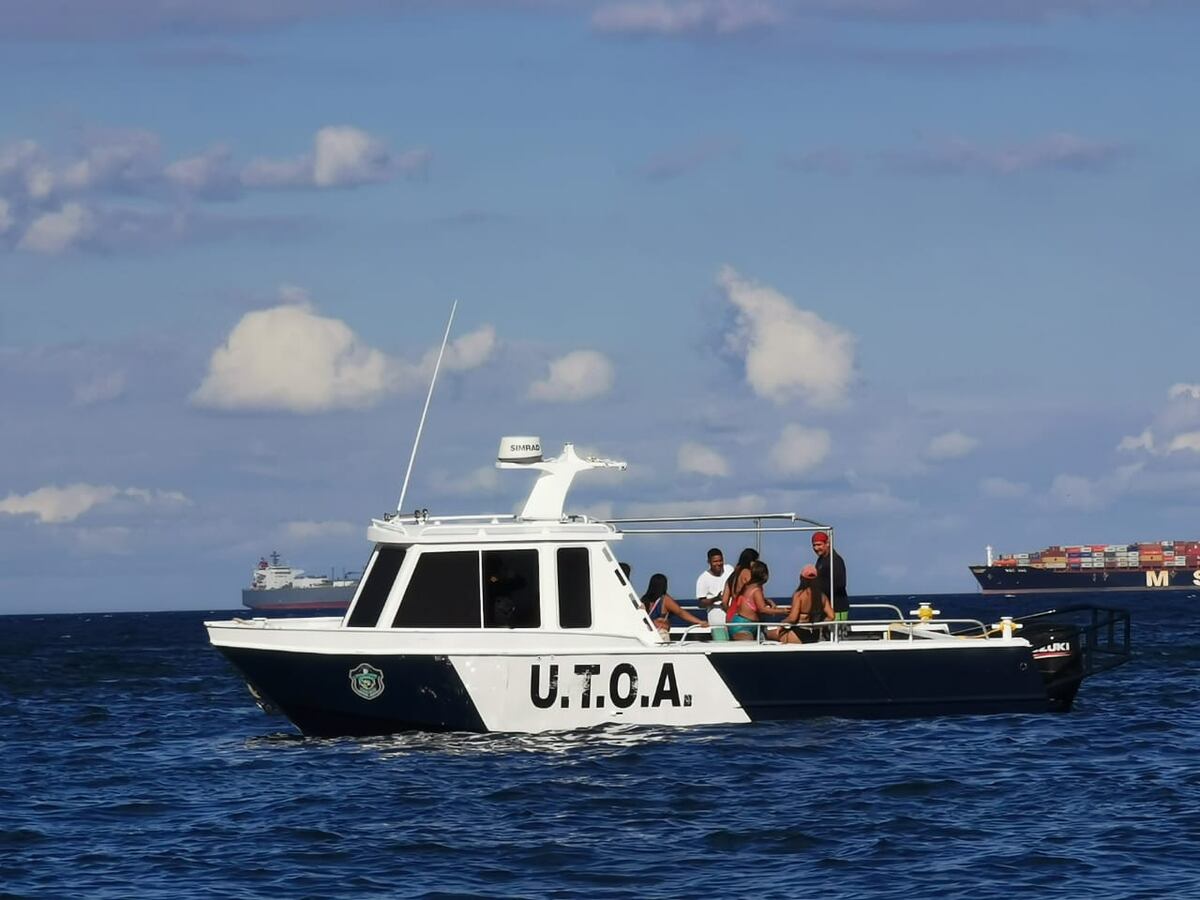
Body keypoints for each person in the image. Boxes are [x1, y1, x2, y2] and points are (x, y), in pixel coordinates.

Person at [767, 564, 831, 643]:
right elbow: (831, 616)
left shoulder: (799, 595)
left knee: (768, 634)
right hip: (814, 635)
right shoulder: (822, 596)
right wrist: (817, 624)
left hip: (799, 634)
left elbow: (793, 618)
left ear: (801, 578)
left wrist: (782, 623)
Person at [725, 560, 779, 640]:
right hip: (742, 626)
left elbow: (751, 598)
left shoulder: (749, 587)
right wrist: (783, 611)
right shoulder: (755, 590)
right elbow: (762, 609)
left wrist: (766, 600)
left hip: (748, 623)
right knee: (749, 646)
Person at [640, 573, 706, 634]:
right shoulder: (665, 600)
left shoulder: (644, 599)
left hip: (646, 633)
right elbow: (681, 612)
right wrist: (699, 621)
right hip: (660, 633)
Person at [696, 547, 733, 639]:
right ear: (709, 562)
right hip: (716, 615)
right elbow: (701, 603)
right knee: (721, 641)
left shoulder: (729, 569)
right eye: (715, 561)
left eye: (720, 561)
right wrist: (715, 599)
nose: (718, 564)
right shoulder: (703, 578)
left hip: (732, 612)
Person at [811, 532, 848, 622]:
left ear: (827, 543)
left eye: (819, 545)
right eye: (814, 545)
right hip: (825, 607)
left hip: (837, 608)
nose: (816, 548)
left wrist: (819, 591)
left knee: (836, 635)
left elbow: (840, 584)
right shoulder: (821, 560)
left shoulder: (835, 560)